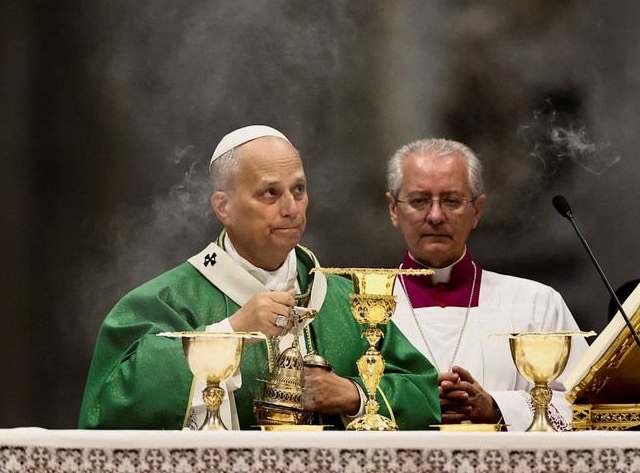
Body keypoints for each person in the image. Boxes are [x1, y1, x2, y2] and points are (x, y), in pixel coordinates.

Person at [79, 125, 440, 430]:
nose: (290, 208)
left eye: (298, 190)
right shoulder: (166, 300)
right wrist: (229, 333)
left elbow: (423, 393)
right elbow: (109, 406)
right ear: (224, 206)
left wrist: (353, 394)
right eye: (271, 193)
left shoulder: (347, 301)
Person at [385, 138, 590, 432]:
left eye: (452, 201)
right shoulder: (359, 305)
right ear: (394, 209)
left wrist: (496, 408)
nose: (435, 216)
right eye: (419, 200)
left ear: (477, 210)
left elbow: (582, 406)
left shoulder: (536, 303)